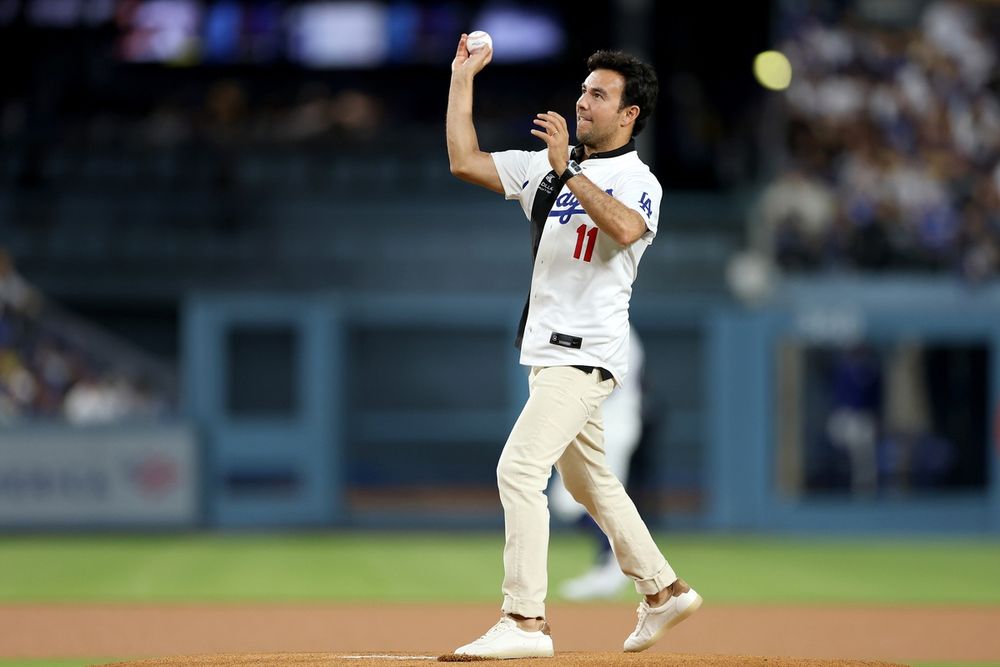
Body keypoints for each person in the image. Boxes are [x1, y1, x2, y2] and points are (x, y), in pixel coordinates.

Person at [445, 33, 701, 659]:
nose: (583, 102)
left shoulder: (637, 178)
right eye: (584, 91)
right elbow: (464, 160)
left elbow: (622, 228)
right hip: (551, 353)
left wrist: (567, 170)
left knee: (520, 469)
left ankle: (525, 621)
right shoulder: (546, 165)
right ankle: (664, 591)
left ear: (629, 114)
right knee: (590, 485)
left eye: (599, 95)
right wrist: (462, 78)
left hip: (584, 353)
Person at [550, 327, 645, 601]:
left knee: (580, 501)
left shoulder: (616, 328)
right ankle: (611, 563)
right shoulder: (595, 324)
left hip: (611, 428)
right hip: (603, 426)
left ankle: (616, 565)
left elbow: (606, 383)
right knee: (580, 502)